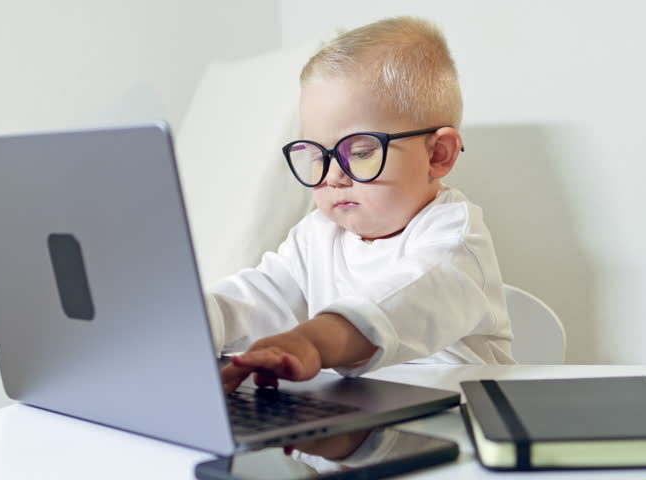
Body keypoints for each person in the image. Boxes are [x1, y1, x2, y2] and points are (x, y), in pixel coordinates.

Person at [208, 16, 514, 394]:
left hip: (455, 425)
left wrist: (314, 342)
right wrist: (203, 319)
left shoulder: (455, 238)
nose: (333, 176)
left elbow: (403, 299)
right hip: (356, 420)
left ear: (438, 154)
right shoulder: (317, 234)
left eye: (361, 151)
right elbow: (262, 294)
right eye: (318, 155)